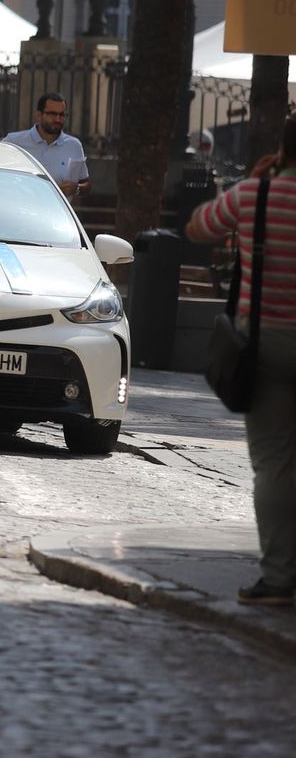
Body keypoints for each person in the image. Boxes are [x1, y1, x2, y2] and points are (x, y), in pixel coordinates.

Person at [187, 113, 296, 607]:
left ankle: (277, 578)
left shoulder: (257, 195)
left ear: (282, 147)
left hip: (265, 342)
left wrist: (261, 180)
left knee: (273, 464)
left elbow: (197, 227)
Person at [3, 92, 91, 198]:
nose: (58, 119)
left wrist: (76, 189)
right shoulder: (13, 141)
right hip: (18, 210)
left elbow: (86, 184)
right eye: (52, 114)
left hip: (55, 213)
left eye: (62, 115)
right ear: (39, 115)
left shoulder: (74, 145)